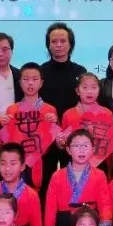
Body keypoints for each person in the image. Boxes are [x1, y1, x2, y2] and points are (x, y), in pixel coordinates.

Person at [44, 129, 113, 226]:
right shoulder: (57, 176)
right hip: (65, 224)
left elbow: (105, 204)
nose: (81, 150)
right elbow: (50, 209)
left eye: (86, 146)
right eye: (76, 146)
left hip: (90, 222)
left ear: (92, 149)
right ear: (68, 150)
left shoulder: (99, 175)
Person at [39, 23, 87, 190]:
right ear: (48, 45)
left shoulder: (80, 71)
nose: (58, 45)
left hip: (73, 134)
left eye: (63, 41)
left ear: (70, 44)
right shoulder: (41, 72)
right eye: (54, 41)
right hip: (46, 134)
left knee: (74, 181)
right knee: (46, 180)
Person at [0, 62, 58, 188]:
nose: (30, 83)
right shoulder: (12, 110)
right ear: (20, 83)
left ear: (41, 83)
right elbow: (6, 141)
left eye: (35, 79)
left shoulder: (49, 110)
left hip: (44, 161)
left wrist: (54, 125)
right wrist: (3, 126)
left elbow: (57, 141)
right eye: (26, 79)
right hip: (19, 162)